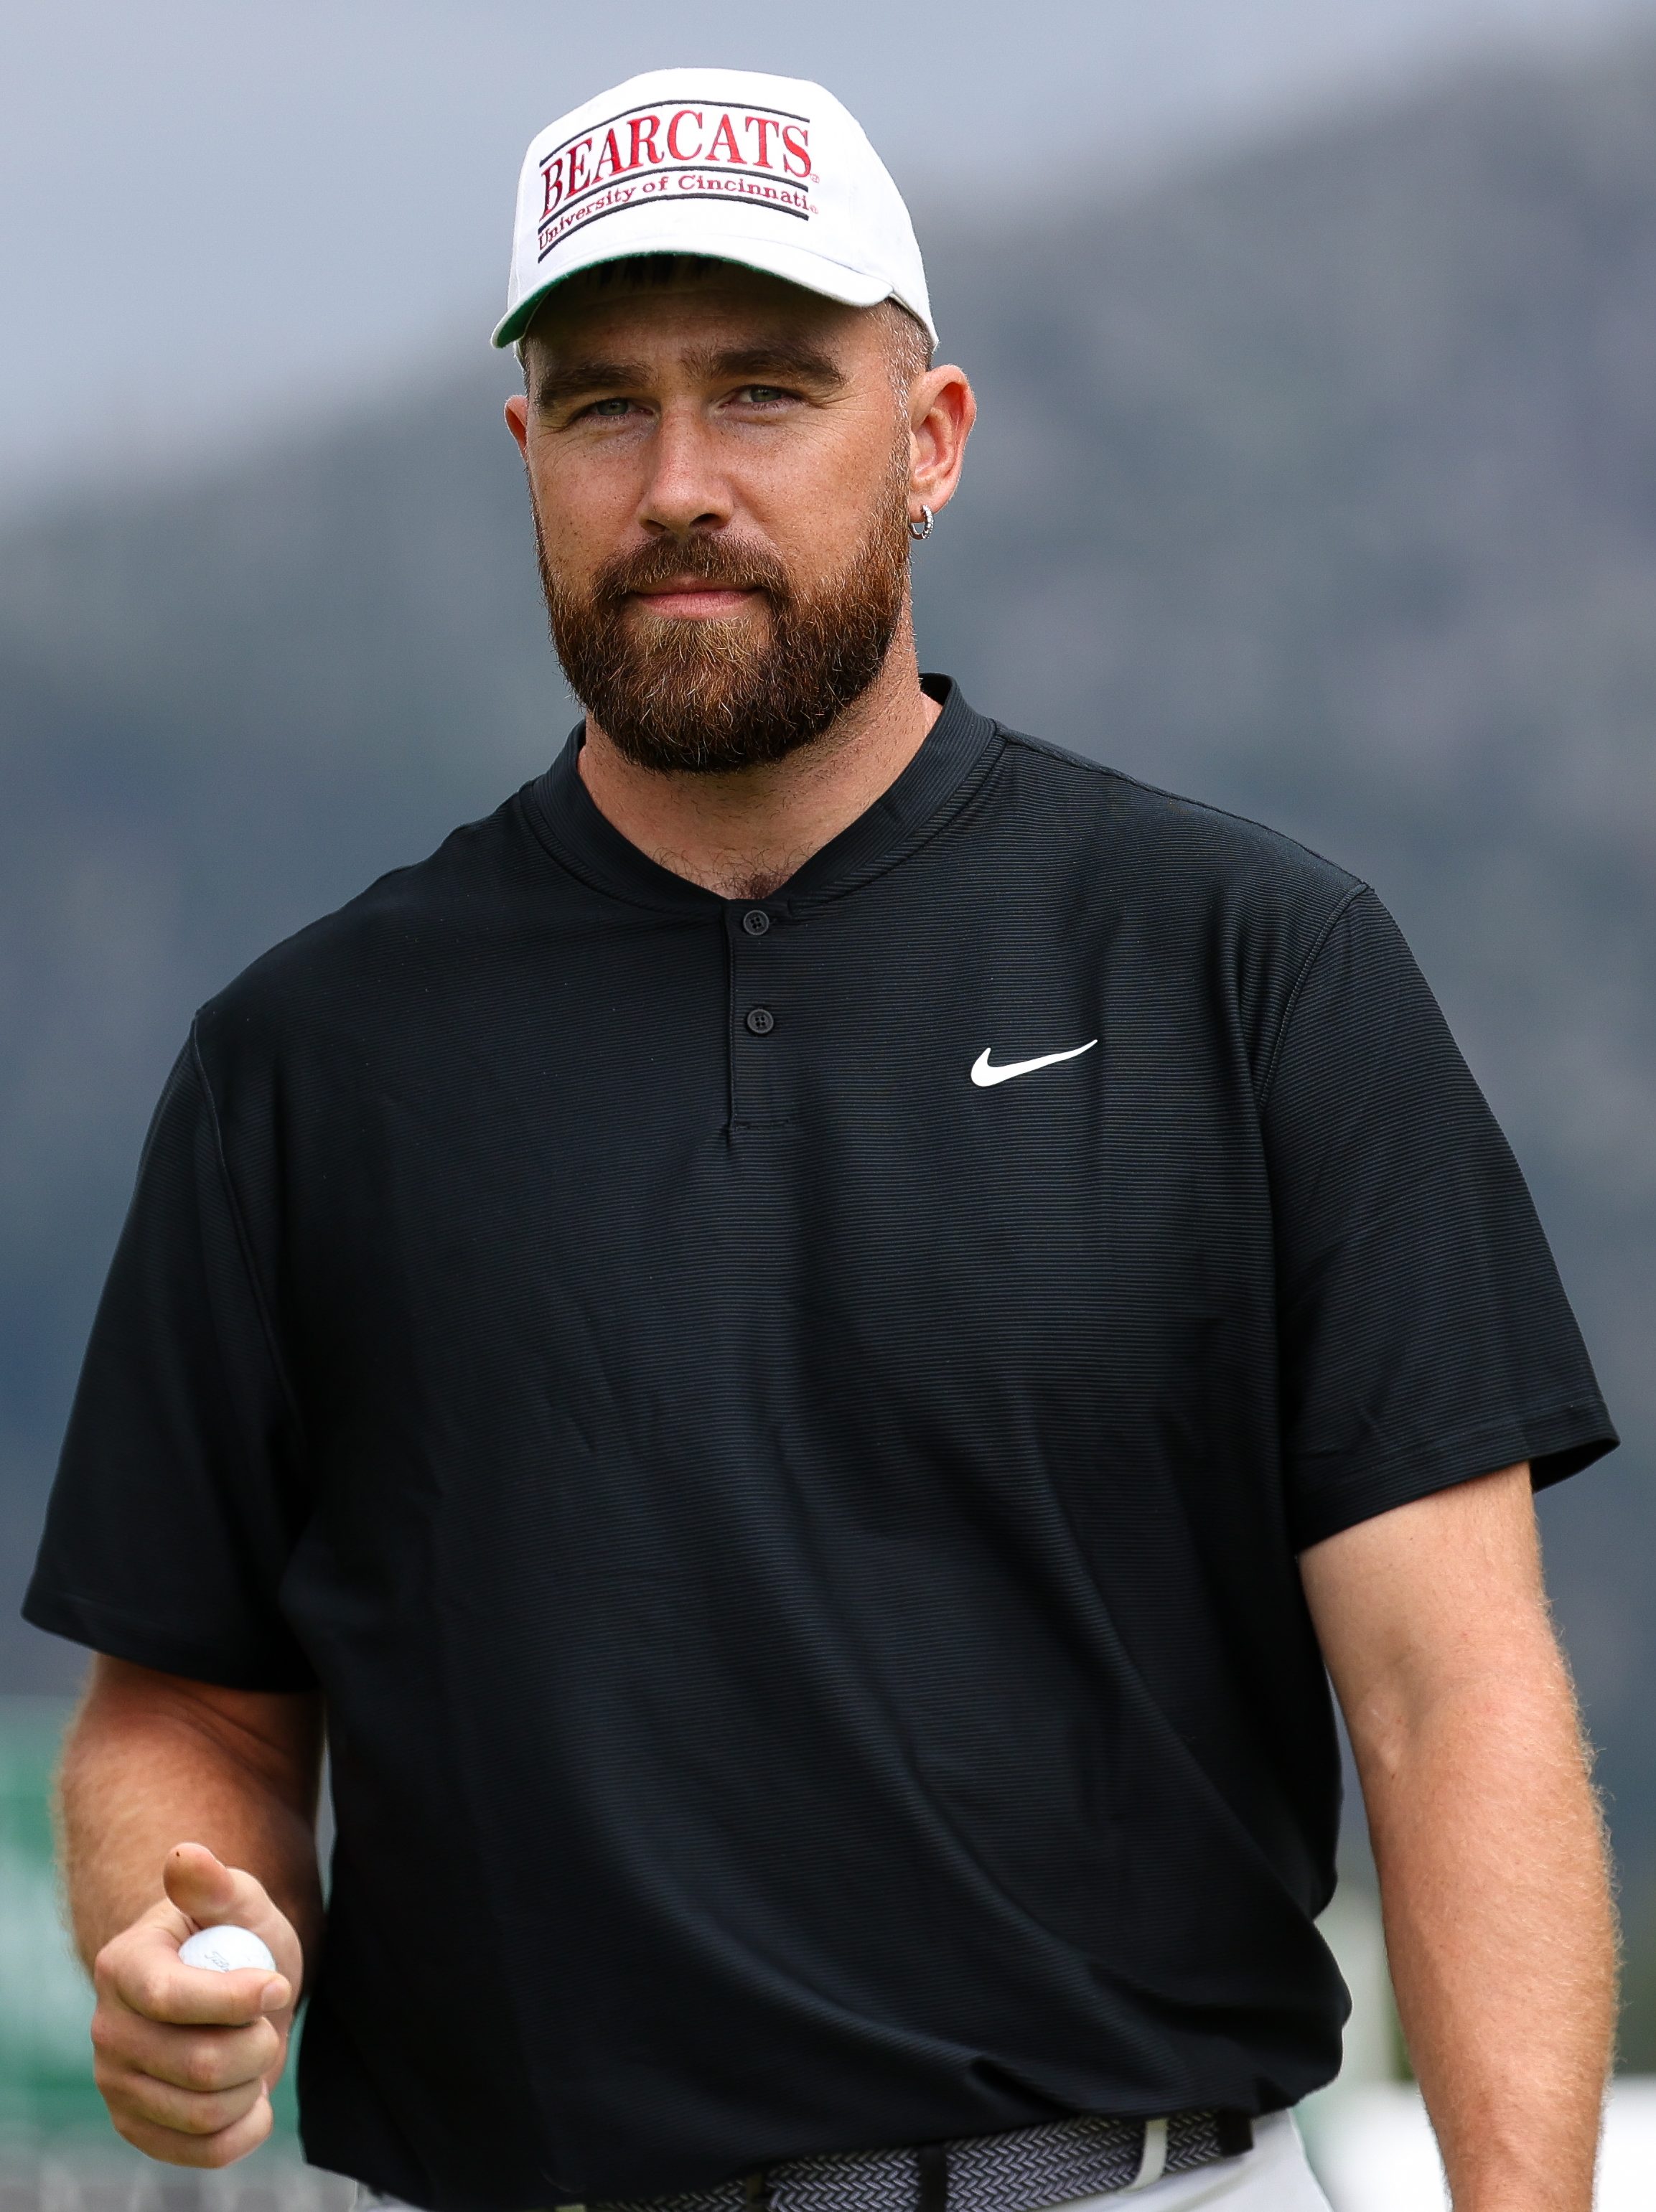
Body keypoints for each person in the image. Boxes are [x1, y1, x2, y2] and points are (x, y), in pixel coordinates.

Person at [24, 65, 1617, 2212]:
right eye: (604, 407)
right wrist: (174, 1935)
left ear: (930, 437)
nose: (677, 481)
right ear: (528, 457)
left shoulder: (1251, 967)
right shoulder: (310, 1056)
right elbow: (184, 1703)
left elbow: (1454, 1703)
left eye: (765, 393)